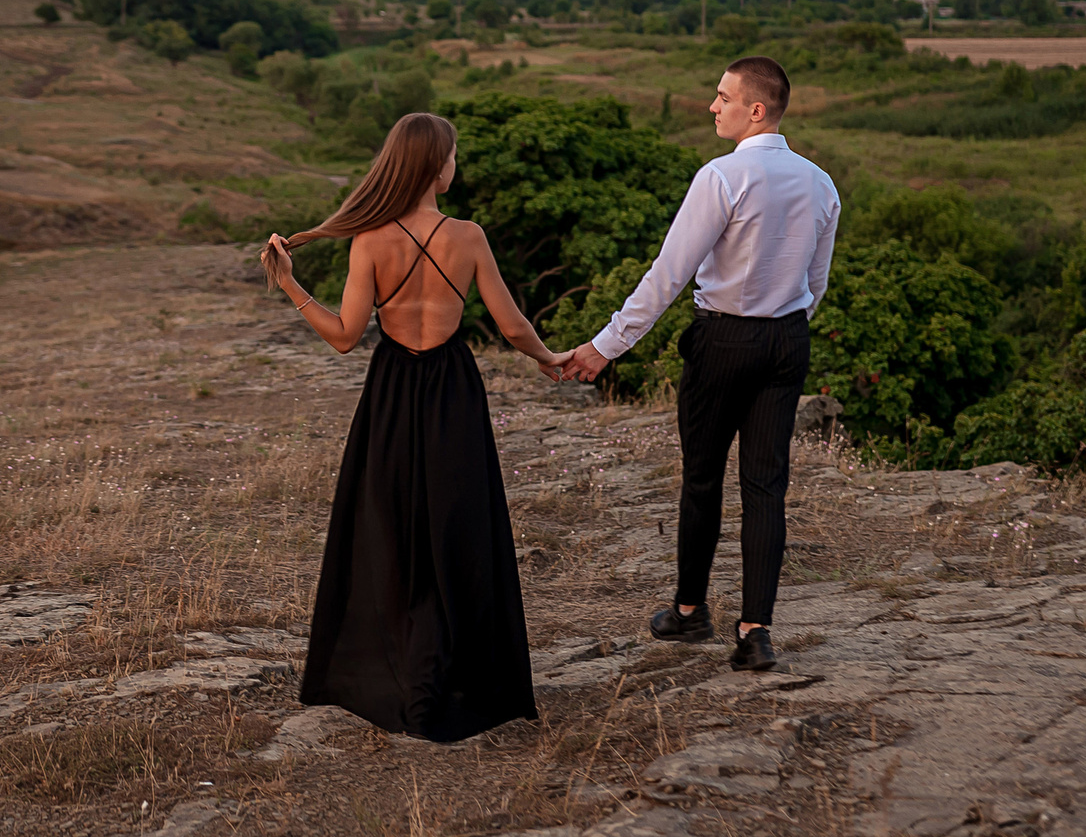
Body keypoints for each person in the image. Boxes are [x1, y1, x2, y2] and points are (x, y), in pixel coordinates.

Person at [260, 111, 565, 742]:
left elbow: (345, 337)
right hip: (453, 390)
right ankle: (454, 671)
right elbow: (511, 327)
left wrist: (292, 286)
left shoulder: (369, 239)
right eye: (454, 156)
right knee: (457, 527)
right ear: (436, 165)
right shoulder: (469, 236)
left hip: (394, 391)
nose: (457, 165)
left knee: (393, 529)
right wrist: (550, 359)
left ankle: (400, 672)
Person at [556, 57, 839, 675]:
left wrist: (605, 346)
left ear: (755, 109)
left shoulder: (721, 176)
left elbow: (669, 274)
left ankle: (690, 611)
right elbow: (815, 285)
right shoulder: (821, 183)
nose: (713, 106)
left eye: (723, 97)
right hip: (788, 342)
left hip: (724, 340)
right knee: (767, 487)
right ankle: (756, 633)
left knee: (704, 477)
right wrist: (782, 329)